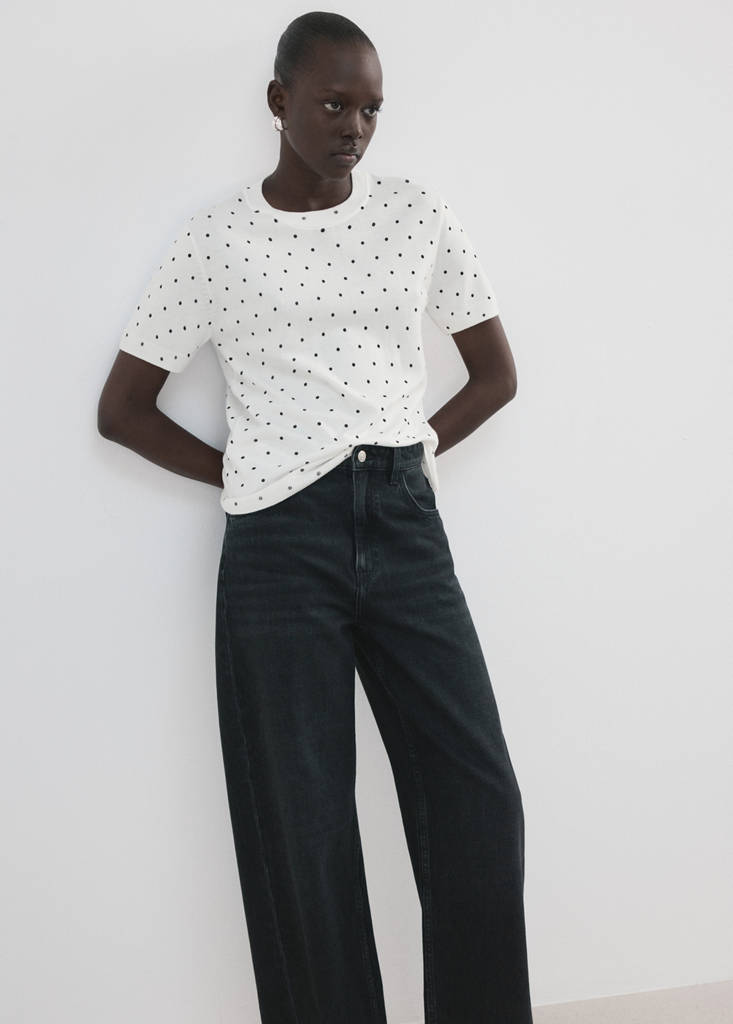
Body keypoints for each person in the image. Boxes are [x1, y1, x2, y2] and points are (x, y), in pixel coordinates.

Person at [98, 11, 534, 1024]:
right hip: (276, 546)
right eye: (334, 103)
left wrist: (415, 451)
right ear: (279, 101)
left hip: (403, 520)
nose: (354, 126)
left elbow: (495, 375)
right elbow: (122, 410)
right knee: (301, 828)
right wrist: (247, 471)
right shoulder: (216, 240)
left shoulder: (415, 213)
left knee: (477, 798)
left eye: (371, 109)